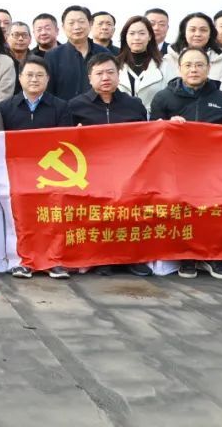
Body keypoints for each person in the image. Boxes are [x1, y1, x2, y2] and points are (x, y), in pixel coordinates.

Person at [150, 47, 222, 280]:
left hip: (212, 172)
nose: (193, 69)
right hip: (175, 171)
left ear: (208, 68)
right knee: (179, 202)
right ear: (179, 68)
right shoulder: (163, 98)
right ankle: (187, 254)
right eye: (188, 65)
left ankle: (216, 256)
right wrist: (166, 125)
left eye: (199, 65)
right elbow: (150, 134)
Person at [68, 53, 151, 277]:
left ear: (118, 74)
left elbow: (146, 137)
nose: (105, 77)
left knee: (131, 211)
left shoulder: (134, 105)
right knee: (97, 213)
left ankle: (133, 258)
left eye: (110, 72)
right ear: (89, 78)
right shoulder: (75, 106)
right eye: (99, 73)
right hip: (91, 173)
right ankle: (102, 258)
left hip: (128, 172)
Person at [0, 55, 73, 279]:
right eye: (29, 75)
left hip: (51, 174)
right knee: (21, 214)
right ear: (20, 78)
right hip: (17, 173)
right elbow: (0, 142)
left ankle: (54, 260)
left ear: (48, 79)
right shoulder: (5, 107)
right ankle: (22, 261)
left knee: (54, 213)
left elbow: (65, 143)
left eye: (39, 75)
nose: (34, 79)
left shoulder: (61, 107)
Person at [46, 6, 110, 101]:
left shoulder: (104, 53)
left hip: (98, 109)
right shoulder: (52, 56)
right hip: (64, 109)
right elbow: (48, 92)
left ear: (90, 24)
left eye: (81, 21)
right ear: (63, 27)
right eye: (71, 23)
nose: (77, 27)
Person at [163, 12, 222, 95]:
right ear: (184, 32)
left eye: (203, 30)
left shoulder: (221, 60)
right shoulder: (169, 59)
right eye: (192, 30)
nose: (198, 34)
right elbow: (162, 94)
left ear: (210, 33)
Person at [116, 15, 167, 110]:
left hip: (155, 117)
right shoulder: (115, 65)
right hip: (121, 117)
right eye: (132, 33)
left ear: (150, 36)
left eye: (142, 33)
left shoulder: (164, 64)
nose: (137, 38)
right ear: (125, 36)